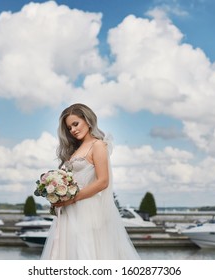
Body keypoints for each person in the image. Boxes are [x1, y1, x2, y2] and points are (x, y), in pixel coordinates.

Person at [40, 103, 140, 260]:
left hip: (87, 210)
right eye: (69, 128)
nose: (73, 130)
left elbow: (103, 182)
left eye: (75, 124)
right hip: (70, 210)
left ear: (87, 120)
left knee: (87, 253)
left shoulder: (98, 145)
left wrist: (72, 198)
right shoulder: (75, 150)